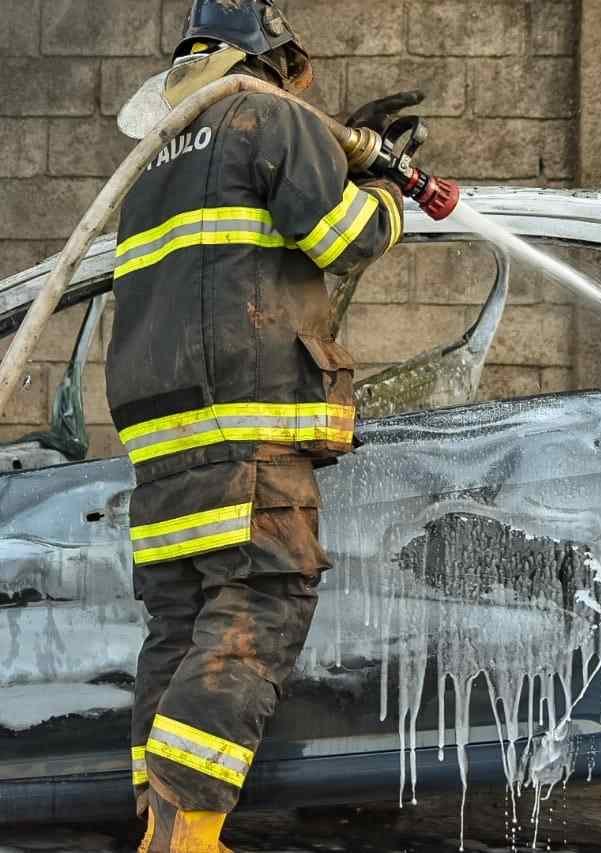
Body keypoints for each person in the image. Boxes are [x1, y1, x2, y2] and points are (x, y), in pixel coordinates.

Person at [106, 2, 420, 849]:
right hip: (246, 436)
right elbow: (348, 237)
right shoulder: (266, 117)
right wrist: (387, 187)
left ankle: (160, 828)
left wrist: (336, 150)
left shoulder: (153, 161)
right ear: (270, 56)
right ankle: (189, 836)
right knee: (259, 610)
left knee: (180, 634)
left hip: (163, 448)